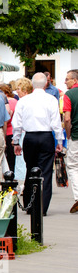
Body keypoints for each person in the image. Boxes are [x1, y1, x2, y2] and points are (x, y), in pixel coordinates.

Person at [12, 73, 63, 216]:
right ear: (46, 83)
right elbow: (56, 123)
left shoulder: (24, 100)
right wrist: (59, 141)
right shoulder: (51, 99)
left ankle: (29, 204)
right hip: (46, 136)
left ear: (32, 84)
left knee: (30, 169)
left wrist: (16, 141)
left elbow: (17, 123)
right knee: (46, 172)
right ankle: (42, 207)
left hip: (30, 136)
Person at [61, 70, 78, 213]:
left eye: (67, 79)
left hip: (76, 135)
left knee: (73, 166)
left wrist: (68, 134)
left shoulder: (69, 95)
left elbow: (67, 118)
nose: (65, 82)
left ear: (75, 80)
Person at [0, 83, 18, 172]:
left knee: (8, 157)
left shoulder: (6, 102)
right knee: (13, 157)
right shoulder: (15, 101)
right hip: (14, 131)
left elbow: (5, 118)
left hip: (7, 131)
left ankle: (9, 175)